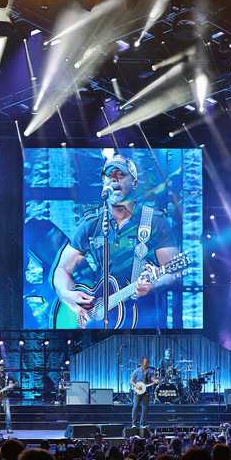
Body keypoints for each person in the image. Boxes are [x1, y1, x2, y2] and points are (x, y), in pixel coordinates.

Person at [53, 154, 179, 329]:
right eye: (109, 176)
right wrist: (66, 294)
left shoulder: (154, 221)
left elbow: (173, 270)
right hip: (99, 324)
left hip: (144, 320)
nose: (114, 180)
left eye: (121, 175)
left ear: (134, 183)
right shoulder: (91, 223)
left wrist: (154, 283)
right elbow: (63, 269)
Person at [130, 357, 156, 428]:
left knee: (145, 408)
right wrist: (136, 386)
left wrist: (155, 381)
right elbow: (131, 381)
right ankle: (134, 423)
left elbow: (152, 379)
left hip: (146, 392)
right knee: (135, 407)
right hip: (137, 392)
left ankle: (142, 423)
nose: (146, 364)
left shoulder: (150, 371)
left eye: (147, 362)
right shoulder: (136, 371)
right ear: (142, 363)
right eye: (145, 362)